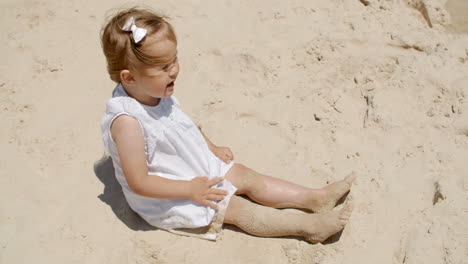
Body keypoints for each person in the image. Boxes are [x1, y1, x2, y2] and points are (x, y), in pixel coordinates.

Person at [100, 7, 355, 243]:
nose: (175, 70)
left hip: (190, 163)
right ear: (129, 77)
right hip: (166, 193)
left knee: (245, 175)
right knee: (234, 208)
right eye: (164, 67)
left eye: (175, 60)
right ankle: (309, 227)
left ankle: (314, 198)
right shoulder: (128, 123)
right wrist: (189, 189)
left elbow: (183, 125)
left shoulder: (155, 91)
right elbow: (139, 182)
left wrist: (211, 147)